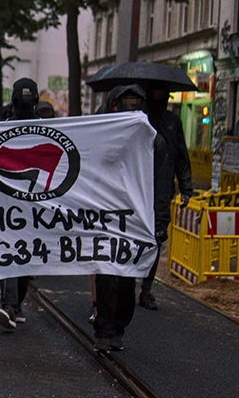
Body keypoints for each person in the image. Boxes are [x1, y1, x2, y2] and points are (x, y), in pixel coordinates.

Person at [93, 84, 171, 352]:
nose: (131, 105)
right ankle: (103, 328)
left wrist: (161, 221)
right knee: (105, 273)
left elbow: (162, 184)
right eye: (125, 100)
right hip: (105, 216)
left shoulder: (153, 141)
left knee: (126, 277)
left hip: (135, 219)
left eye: (135, 101)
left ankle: (119, 327)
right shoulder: (101, 137)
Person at [139, 81, 193, 310]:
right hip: (138, 186)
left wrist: (186, 186)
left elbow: (181, 154)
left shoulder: (172, 121)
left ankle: (146, 288)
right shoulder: (139, 119)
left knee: (157, 237)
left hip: (162, 190)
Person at [0, 78, 40, 330]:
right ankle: (8, 305)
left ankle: (16, 304)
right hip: (8, 204)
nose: (26, 104)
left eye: (29, 98)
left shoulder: (45, 128)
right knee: (9, 254)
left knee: (24, 258)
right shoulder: (3, 128)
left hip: (35, 208)